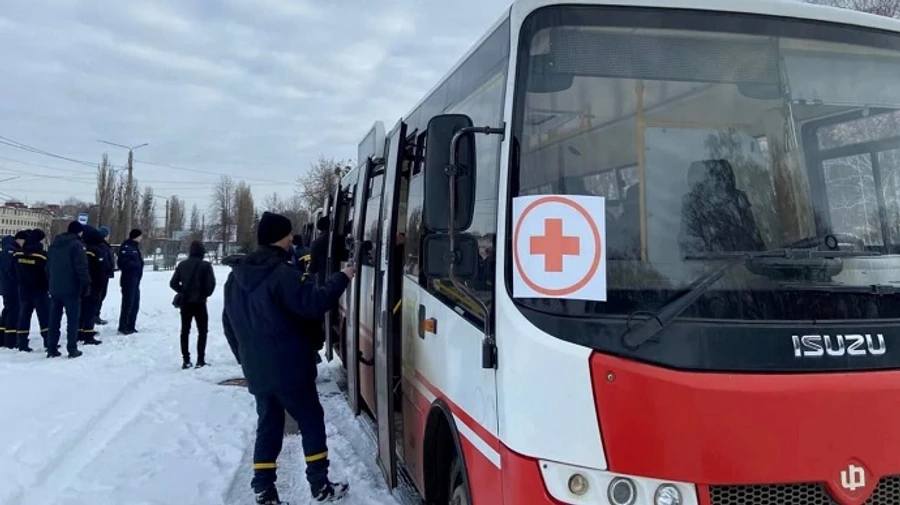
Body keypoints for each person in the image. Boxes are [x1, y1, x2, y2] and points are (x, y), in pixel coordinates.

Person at [223, 211, 355, 504]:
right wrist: (342, 277)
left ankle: (264, 489)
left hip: (257, 369)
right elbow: (314, 304)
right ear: (281, 238)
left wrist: (245, 358)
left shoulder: (235, 279)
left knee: (269, 426)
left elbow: (228, 324)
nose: (292, 239)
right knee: (310, 421)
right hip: (291, 367)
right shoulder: (283, 275)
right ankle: (320, 484)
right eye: (288, 234)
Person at [169, 240, 216, 369]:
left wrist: (182, 291)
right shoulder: (205, 266)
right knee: (202, 331)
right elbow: (210, 285)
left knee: (185, 331)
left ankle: (186, 360)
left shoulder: (182, 265)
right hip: (200, 302)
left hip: (186, 302)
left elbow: (173, 283)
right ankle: (200, 360)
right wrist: (204, 294)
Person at [46, 221, 90, 359]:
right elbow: (81, 267)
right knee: (72, 321)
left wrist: (50, 282)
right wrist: (86, 283)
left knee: (54, 320)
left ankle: (51, 348)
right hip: (72, 288)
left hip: (55, 287)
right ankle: (72, 348)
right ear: (79, 232)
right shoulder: (77, 245)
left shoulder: (54, 244)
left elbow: (47, 267)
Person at [16, 229, 50, 352]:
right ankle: (48, 342)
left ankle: (22, 343)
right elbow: (47, 273)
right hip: (39, 291)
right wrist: (47, 287)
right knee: (44, 317)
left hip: (24, 290)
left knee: (24, 317)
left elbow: (13, 271)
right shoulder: (42, 256)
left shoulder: (18, 254)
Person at [78, 226, 105, 346]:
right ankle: (88, 334)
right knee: (90, 309)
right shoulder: (96, 251)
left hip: (81, 284)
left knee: (81, 309)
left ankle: (79, 331)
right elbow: (100, 270)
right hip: (93, 284)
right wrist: (100, 285)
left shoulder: (80, 248)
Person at [1, 230, 27, 349]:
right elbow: (10, 269)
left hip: (7, 286)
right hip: (11, 287)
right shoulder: (10, 250)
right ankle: (10, 340)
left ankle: (3, 337)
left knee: (8, 310)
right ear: (19, 239)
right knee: (13, 312)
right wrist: (18, 279)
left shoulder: (8, 248)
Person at [117, 228, 144, 335]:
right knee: (128, 304)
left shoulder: (135, 247)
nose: (141, 238)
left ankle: (131, 325)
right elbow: (122, 262)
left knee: (135, 304)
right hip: (128, 280)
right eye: (140, 236)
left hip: (136, 280)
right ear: (136, 236)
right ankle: (123, 326)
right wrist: (135, 265)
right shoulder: (126, 247)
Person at [94, 225, 113, 326]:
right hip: (102, 274)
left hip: (103, 274)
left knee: (100, 295)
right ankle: (95, 315)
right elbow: (105, 260)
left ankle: (95, 314)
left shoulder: (102, 245)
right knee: (100, 295)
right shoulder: (102, 246)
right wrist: (108, 268)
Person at [307, 216, 330, 286]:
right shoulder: (333, 238)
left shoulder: (316, 242)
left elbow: (313, 261)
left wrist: (309, 269)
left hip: (321, 274)